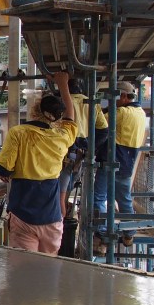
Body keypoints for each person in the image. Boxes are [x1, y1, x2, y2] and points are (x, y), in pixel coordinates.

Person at [0, 71, 77, 255]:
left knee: (24, 272)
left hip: (23, 213)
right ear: (57, 117)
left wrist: (6, 173)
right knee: (49, 272)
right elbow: (70, 117)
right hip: (51, 217)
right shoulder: (62, 137)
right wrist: (63, 84)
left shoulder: (19, 133)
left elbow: (3, 167)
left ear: (34, 110)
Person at [93, 81, 147, 251]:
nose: (112, 101)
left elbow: (99, 121)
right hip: (126, 163)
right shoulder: (140, 112)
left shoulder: (121, 113)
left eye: (115, 97)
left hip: (111, 160)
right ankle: (129, 233)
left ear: (123, 96)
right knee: (124, 201)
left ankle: (102, 236)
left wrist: (94, 106)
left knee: (99, 198)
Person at [58, 78, 109, 216]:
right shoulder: (91, 102)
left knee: (60, 193)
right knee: (67, 188)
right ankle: (65, 219)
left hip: (65, 149)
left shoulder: (62, 101)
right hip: (81, 152)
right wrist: (90, 147)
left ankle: (61, 224)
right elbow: (104, 130)